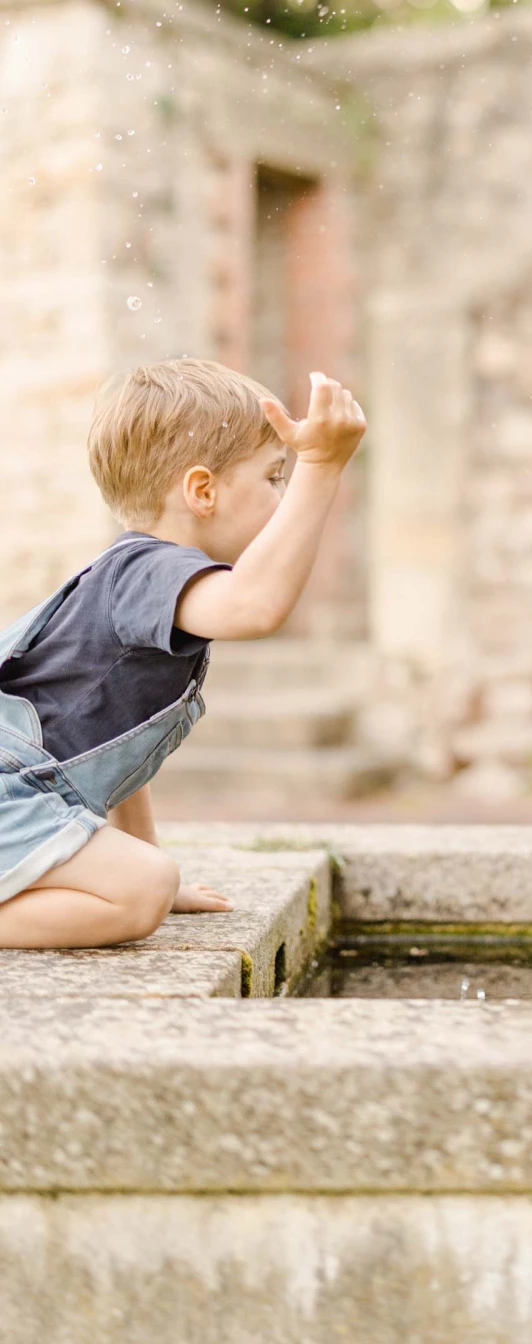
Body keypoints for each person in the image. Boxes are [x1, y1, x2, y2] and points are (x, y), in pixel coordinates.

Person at [0, 358, 366, 949]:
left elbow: (113, 751)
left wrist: (139, 857)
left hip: (21, 798)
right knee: (142, 890)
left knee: (148, 878)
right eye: (275, 477)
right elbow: (255, 608)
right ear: (201, 492)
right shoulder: (147, 571)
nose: (283, 496)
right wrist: (321, 467)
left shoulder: (140, 578)